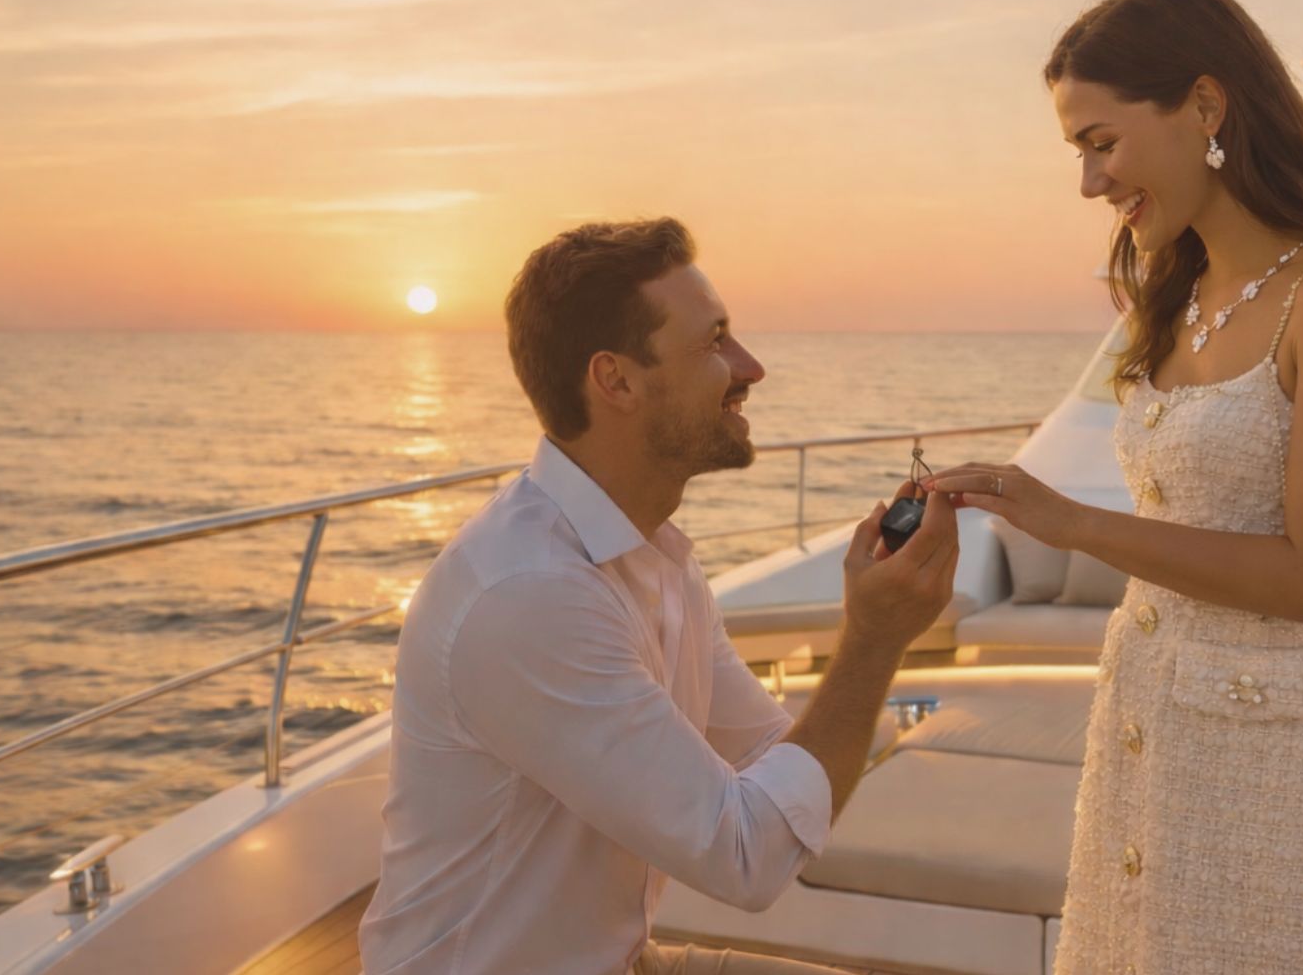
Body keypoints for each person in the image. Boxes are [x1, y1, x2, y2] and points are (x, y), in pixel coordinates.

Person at [925, 0, 1303, 972]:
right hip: (1149, 724)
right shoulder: (1173, 292)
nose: (1088, 183)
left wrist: (1067, 523)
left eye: (1099, 142)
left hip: (1277, 759)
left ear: (1205, 106)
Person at [358, 217, 961, 975]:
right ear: (616, 381)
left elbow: (771, 759)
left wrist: (878, 635)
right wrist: (874, 639)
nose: (752, 367)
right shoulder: (530, 596)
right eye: (714, 343)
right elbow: (749, 857)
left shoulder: (656, 554)